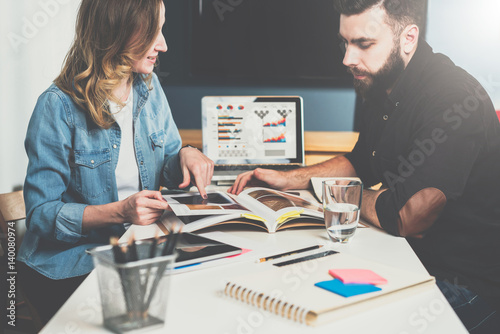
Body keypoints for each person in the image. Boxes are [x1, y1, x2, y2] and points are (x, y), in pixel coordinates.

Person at [229, 0, 500, 332]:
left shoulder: (453, 98)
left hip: (466, 286)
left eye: (363, 44)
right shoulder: (382, 83)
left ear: (408, 38)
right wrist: (291, 180)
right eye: (345, 42)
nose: (347, 58)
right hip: (403, 261)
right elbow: (361, 163)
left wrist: (336, 195)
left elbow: (408, 217)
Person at [17, 0, 213, 325]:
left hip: (134, 247)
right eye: (154, 32)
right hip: (69, 263)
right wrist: (119, 211)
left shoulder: (149, 86)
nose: (163, 44)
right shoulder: (56, 107)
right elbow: (40, 216)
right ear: (119, 32)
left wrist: (187, 154)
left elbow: (168, 161)